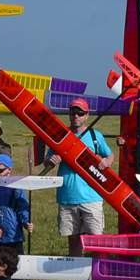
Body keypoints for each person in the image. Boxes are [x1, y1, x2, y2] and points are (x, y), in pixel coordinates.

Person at [54, 99, 112, 256]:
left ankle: (100, 271)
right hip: (67, 196)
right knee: (73, 241)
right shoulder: (60, 135)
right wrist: (52, 160)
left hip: (91, 197)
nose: (76, 116)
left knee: (97, 241)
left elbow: (109, 155)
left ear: (87, 115)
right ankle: (77, 271)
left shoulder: (95, 136)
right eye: (73, 112)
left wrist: (106, 162)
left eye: (80, 113)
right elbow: (48, 160)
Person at [0, 154, 32, 247]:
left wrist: (26, 222)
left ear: (9, 170)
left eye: (0, 170)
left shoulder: (17, 189)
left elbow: (23, 208)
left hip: (15, 237)